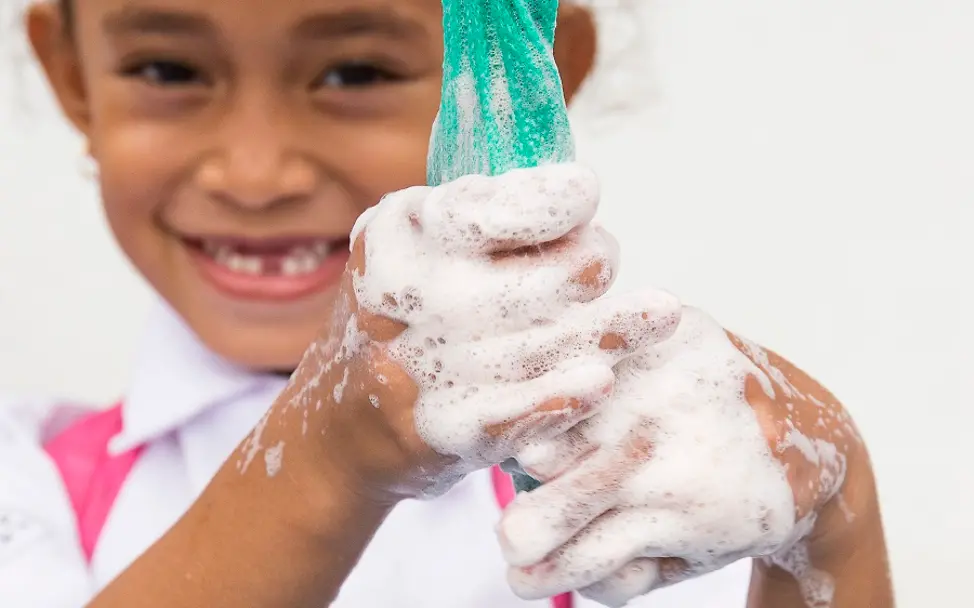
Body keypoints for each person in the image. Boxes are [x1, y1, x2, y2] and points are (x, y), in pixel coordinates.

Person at [0, 0, 893, 607]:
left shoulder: (663, 489)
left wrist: (833, 522)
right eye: (168, 67)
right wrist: (326, 452)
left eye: (353, 72)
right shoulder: (24, 480)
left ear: (528, 69)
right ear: (72, 76)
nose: (254, 175)